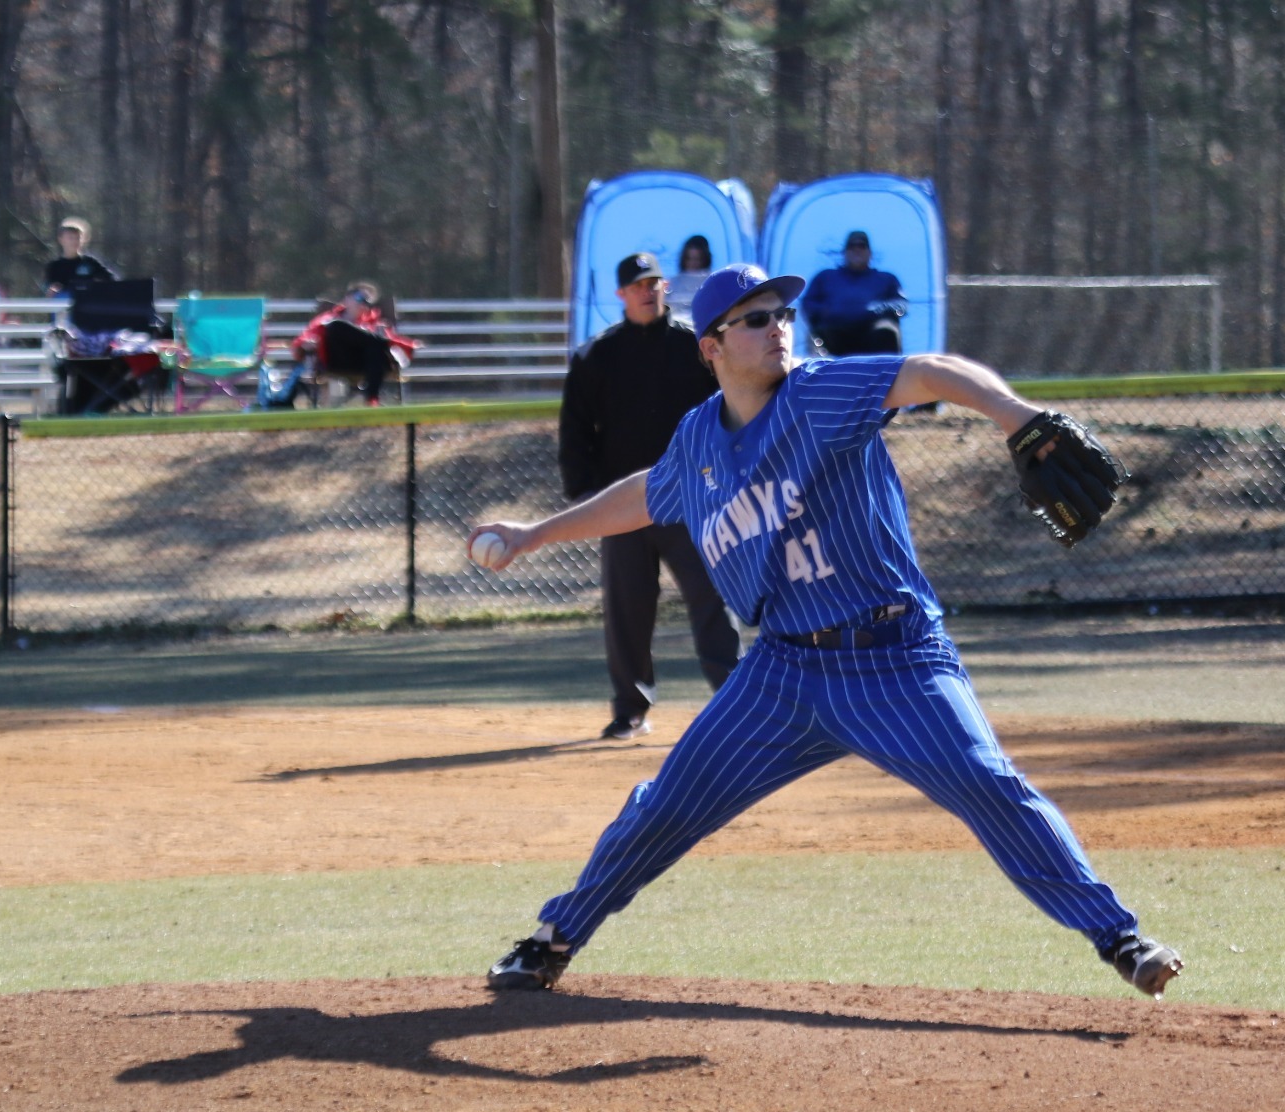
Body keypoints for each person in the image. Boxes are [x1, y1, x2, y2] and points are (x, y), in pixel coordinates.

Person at [470, 263, 1182, 998]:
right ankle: (553, 939)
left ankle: (1119, 936)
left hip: (895, 659)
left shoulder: (819, 393)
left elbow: (929, 371)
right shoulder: (700, 438)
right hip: (783, 673)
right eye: (755, 318)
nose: (777, 326)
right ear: (712, 346)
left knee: (988, 784)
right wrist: (533, 534)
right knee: (667, 805)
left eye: (781, 313)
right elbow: (649, 493)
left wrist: (1017, 416)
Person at [559, 251, 738, 740]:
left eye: (654, 283)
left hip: (690, 498)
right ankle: (630, 708)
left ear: (665, 288)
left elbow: (730, 408)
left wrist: (726, 477)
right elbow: (575, 429)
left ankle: (735, 701)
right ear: (620, 294)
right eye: (638, 285)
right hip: (624, 504)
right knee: (627, 610)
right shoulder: (598, 355)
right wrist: (586, 493)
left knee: (712, 600)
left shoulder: (694, 346)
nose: (648, 291)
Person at [260, 281, 414, 408]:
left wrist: (379, 334)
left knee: (375, 347)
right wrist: (308, 344)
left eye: (367, 301)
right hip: (338, 361)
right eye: (359, 297)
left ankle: (371, 398)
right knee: (337, 327)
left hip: (366, 363)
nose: (363, 303)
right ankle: (382, 349)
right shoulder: (328, 319)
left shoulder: (376, 323)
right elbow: (301, 342)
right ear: (347, 299)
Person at [801, 230, 907, 357]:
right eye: (852, 247)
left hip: (872, 330)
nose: (857, 250)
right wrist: (829, 310)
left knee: (887, 331)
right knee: (819, 336)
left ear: (870, 253)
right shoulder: (825, 277)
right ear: (844, 253)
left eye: (862, 246)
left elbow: (901, 304)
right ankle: (822, 369)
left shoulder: (887, 278)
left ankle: (888, 369)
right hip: (836, 330)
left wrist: (877, 308)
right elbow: (808, 303)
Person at [42, 218, 118, 297]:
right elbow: (48, 288)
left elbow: (110, 280)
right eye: (70, 238)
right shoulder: (54, 266)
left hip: (87, 301)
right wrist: (52, 290)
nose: (74, 241)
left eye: (78, 238)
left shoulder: (90, 263)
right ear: (61, 239)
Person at [672, 234, 714, 306]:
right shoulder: (674, 283)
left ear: (704, 260)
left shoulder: (711, 283)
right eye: (689, 259)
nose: (692, 263)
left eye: (697, 259)